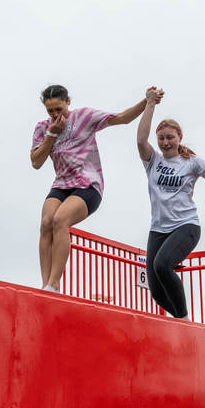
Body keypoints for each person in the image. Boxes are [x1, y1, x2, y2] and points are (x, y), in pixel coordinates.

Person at [31, 84, 153, 293]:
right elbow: (36, 162)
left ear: (68, 102)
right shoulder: (43, 128)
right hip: (62, 185)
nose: (55, 114)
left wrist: (148, 101)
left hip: (88, 184)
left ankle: (54, 283)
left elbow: (122, 118)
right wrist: (52, 134)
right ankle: (45, 285)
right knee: (46, 222)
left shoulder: (84, 117)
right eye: (50, 111)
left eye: (59, 109)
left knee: (60, 220)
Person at [136, 88, 205, 318]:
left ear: (180, 137)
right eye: (161, 138)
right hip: (158, 230)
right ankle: (179, 322)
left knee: (162, 265)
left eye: (170, 137)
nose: (165, 143)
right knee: (155, 289)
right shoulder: (153, 160)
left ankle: (184, 321)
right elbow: (141, 139)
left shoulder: (191, 163)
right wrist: (150, 103)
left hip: (186, 226)